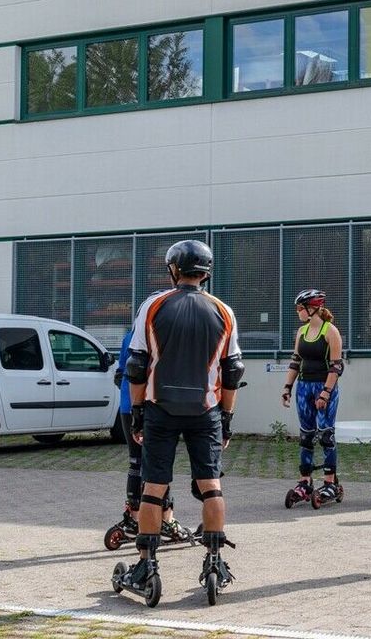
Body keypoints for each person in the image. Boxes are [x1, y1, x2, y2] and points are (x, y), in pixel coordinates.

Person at [120, 239, 243, 593]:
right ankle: (216, 560)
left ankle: (146, 565)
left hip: (160, 408)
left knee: (154, 487)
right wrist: (227, 418)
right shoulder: (223, 310)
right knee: (210, 484)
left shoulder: (154, 305)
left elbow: (137, 365)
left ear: (174, 269)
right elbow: (232, 370)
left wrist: (138, 412)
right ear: (207, 272)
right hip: (205, 411)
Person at [112, 328, 189, 543]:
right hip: (153, 408)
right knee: (159, 464)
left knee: (135, 463)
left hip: (128, 407)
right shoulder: (161, 334)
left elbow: (120, 374)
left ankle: (133, 519)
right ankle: (166, 520)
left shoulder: (130, 335)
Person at [281, 289, 344, 504]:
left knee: (326, 435)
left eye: (300, 308)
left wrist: (325, 393)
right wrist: (287, 387)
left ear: (312, 308)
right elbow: (295, 362)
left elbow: (336, 367)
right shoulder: (301, 331)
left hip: (324, 386)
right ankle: (305, 482)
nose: (298, 311)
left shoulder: (330, 331)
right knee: (306, 436)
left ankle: (329, 484)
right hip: (304, 387)